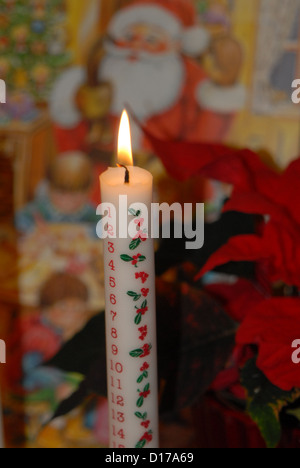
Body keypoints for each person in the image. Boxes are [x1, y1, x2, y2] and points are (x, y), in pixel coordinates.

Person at [50, 0, 246, 153]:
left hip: (163, 190)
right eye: (129, 37)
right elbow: (71, 141)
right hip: (100, 187)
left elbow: (204, 142)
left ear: (175, 45)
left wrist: (224, 89)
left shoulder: (189, 78)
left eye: (151, 40)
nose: (136, 47)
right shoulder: (100, 70)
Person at [16, 151, 98, 233]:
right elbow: (20, 218)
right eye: (61, 194)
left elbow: (104, 227)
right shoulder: (42, 208)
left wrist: (86, 232)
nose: (67, 201)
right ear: (49, 189)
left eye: (74, 196)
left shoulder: (88, 211)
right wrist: (33, 230)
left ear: (87, 192)